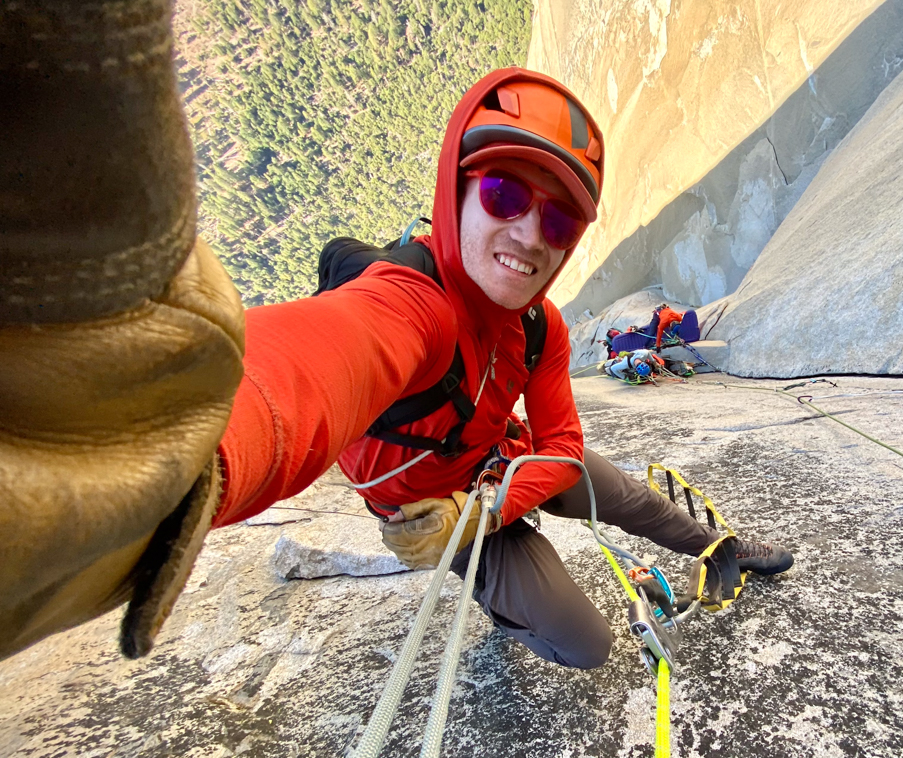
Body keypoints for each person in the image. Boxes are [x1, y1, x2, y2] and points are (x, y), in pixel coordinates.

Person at [0, 3, 791, 664]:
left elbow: (560, 441)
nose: (529, 233)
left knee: (617, 489)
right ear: (456, 189)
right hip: (433, 513)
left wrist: (498, 497)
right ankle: (497, 598)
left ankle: (719, 547)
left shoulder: (541, 327)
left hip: (494, 475)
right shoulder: (410, 305)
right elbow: (304, 373)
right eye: (506, 192)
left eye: (557, 216)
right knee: (584, 646)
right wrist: (156, 458)